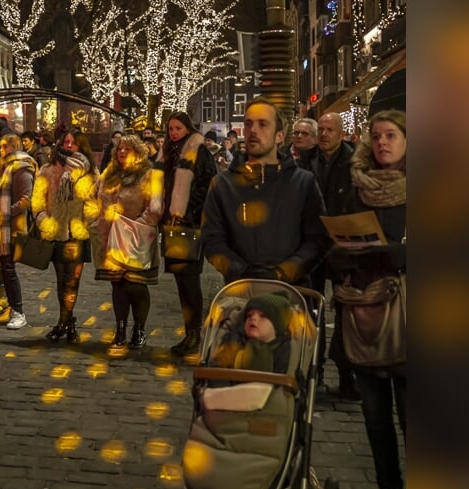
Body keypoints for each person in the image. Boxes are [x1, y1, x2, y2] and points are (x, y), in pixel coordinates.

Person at [336, 109, 407, 489]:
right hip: (363, 311)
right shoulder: (356, 188)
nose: (383, 142)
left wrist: (401, 255)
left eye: (392, 135)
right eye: (377, 136)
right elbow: (338, 241)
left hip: (409, 313)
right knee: (375, 416)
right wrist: (341, 255)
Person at [200, 99, 329, 285]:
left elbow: (317, 239)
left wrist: (284, 272)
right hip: (240, 293)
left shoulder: (302, 182)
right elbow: (212, 239)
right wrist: (239, 271)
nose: (253, 130)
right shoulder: (223, 184)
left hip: (290, 294)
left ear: (279, 136)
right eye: (248, 123)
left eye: (263, 124)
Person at [154, 111, 218, 356]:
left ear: (188, 129)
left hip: (188, 224)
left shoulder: (198, 150)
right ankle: (190, 332)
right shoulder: (167, 152)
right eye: (170, 129)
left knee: (190, 280)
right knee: (181, 280)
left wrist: (190, 210)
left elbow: (208, 183)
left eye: (178, 128)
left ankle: (195, 333)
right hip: (171, 223)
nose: (173, 133)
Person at [94, 135, 164, 349]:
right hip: (111, 238)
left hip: (138, 238)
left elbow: (154, 208)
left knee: (136, 284)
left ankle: (139, 328)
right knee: (118, 284)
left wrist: (132, 226)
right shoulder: (110, 175)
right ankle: (121, 328)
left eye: (127, 148)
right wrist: (99, 219)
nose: (122, 152)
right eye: (119, 149)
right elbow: (94, 197)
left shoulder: (150, 175)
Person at [31, 127, 99, 343]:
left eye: (73, 142)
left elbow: (97, 203)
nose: (69, 146)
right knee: (62, 281)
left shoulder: (91, 173)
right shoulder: (47, 171)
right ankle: (67, 323)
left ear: (81, 146)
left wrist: (89, 217)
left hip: (78, 234)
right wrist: (45, 222)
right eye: (66, 142)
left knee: (73, 282)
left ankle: (65, 323)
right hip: (56, 233)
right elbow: (37, 203)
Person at [310, 112, 359, 398]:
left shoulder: (353, 163)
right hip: (315, 242)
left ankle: (346, 373)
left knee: (344, 311)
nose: (324, 134)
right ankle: (314, 370)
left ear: (341, 133)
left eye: (330, 129)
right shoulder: (308, 160)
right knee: (312, 308)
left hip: (343, 243)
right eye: (322, 129)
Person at [0, 133, 38, 329]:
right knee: (4, 269)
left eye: (5, 147)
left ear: (14, 147)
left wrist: (4, 212)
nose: (1, 150)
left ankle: (18, 311)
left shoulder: (21, 167)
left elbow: (26, 199)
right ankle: (12, 307)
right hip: (1, 226)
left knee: (8, 269)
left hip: (13, 228)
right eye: (0, 147)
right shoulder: (4, 167)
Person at [213, 293, 294, 374]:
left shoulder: (284, 348)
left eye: (263, 316)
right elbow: (216, 368)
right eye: (249, 315)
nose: (253, 318)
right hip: (228, 386)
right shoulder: (233, 340)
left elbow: (282, 380)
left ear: (277, 327)